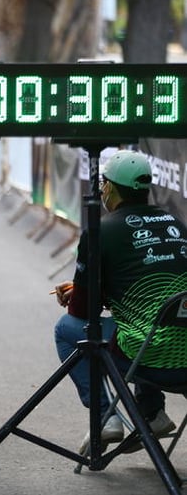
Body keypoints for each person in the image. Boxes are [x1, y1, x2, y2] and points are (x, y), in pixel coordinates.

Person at [53, 150, 187, 453]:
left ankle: (105, 416)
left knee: (68, 328)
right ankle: (151, 412)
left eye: (103, 185)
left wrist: (85, 290)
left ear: (109, 188)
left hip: (152, 360)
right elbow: (154, 287)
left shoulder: (102, 231)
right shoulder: (177, 223)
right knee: (149, 317)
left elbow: (82, 310)